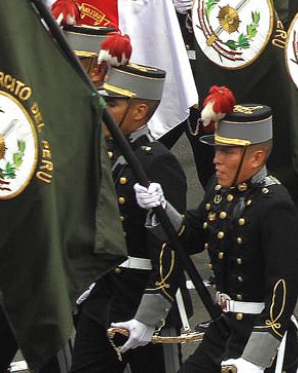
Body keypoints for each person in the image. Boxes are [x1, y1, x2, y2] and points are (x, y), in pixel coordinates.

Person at [73, 62, 190, 372]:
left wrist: (148, 317)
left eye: (112, 103)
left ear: (139, 112)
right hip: (102, 296)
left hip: (143, 301)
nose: (103, 107)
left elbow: (170, 250)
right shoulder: (104, 154)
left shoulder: (157, 163)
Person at [170, 99, 298, 373]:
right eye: (217, 150)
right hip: (223, 329)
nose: (216, 160)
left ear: (256, 158)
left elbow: (282, 290)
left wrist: (255, 358)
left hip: (261, 334)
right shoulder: (218, 189)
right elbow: (191, 236)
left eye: (227, 152)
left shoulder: (276, 205)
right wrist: (159, 210)